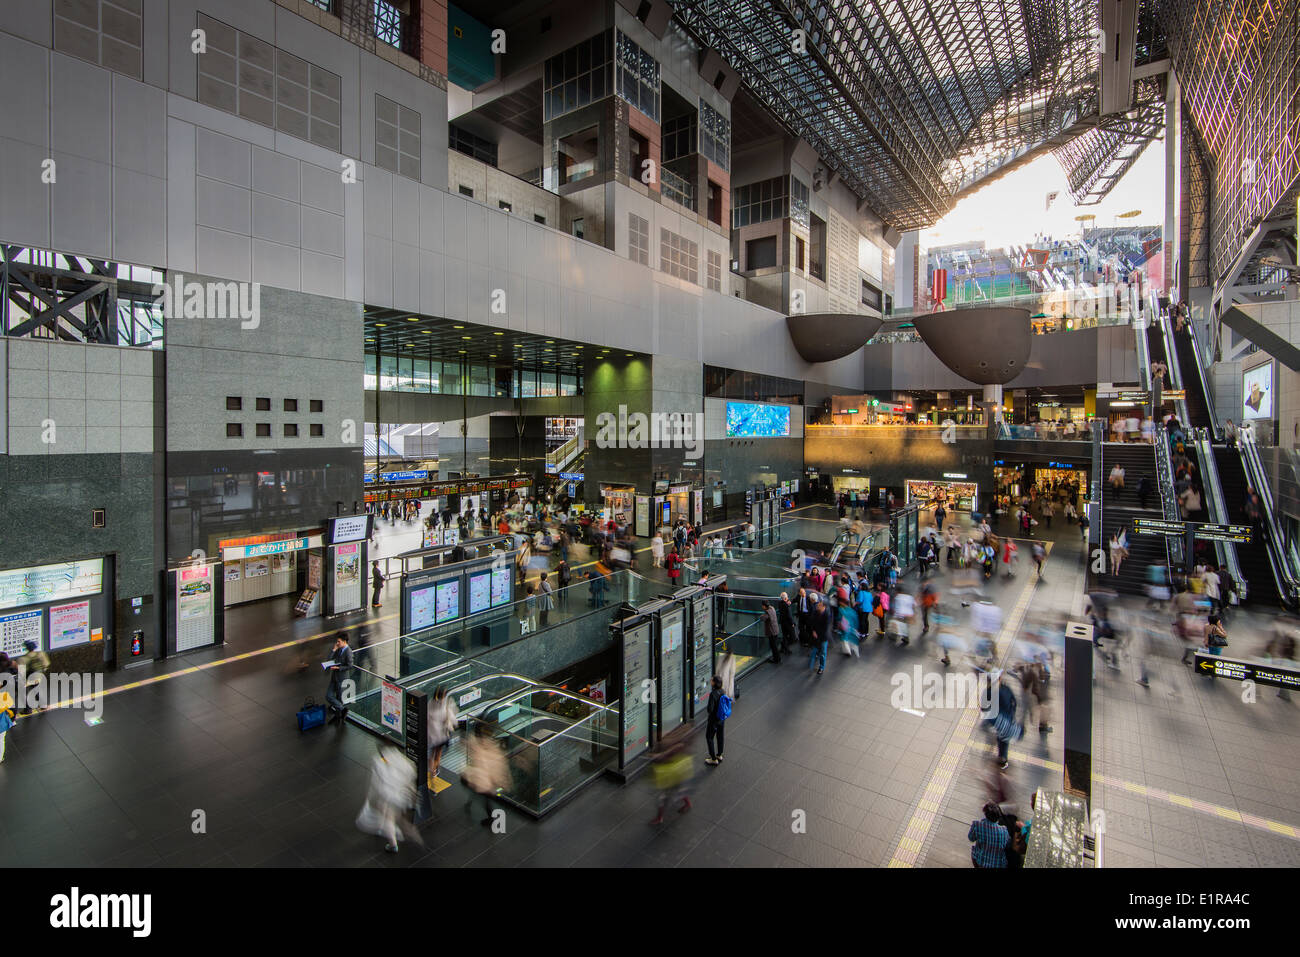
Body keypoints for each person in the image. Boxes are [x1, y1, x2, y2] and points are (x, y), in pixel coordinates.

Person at [356, 743, 421, 853]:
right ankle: (400, 831)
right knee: (392, 817)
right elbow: (411, 773)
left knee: (388, 819)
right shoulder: (400, 758)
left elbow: (376, 783)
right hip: (399, 796)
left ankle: (393, 844)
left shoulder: (378, 762)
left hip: (386, 797)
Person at [462, 722, 509, 826]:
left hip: (484, 781)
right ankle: (471, 804)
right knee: (481, 795)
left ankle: (490, 818)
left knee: (485, 800)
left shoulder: (481, 745)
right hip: (483, 779)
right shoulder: (490, 746)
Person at [649, 724, 694, 822]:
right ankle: (687, 804)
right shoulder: (675, 742)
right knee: (678, 789)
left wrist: (659, 756)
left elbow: (667, 754)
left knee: (663, 797)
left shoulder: (675, 745)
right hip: (674, 773)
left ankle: (659, 817)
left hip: (670, 773)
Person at [968, 802, 1009, 868]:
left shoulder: (978, 825)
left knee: (975, 850)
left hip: (981, 862)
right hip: (999, 865)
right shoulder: (1004, 830)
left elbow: (971, 838)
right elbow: (1006, 844)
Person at [324, 632, 353, 725]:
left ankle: (338, 717)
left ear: (344, 642)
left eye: (338, 642)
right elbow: (329, 659)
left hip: (342, 679)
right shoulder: (338, 649)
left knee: (339, 699)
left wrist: (339, 668)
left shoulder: (348, 651)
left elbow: (350, 665)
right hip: (335, 677)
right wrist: (334, 649)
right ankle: (343, 709)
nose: (337, 643)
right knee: (329, 696)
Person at [17, 639, 50, 714]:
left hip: (28, 678)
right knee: (36, 690)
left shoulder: (23, 659)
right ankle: (43, 705)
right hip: (39, 676)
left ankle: (28, 709)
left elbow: (21, 672)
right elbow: (46, 664)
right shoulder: (41, 654)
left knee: (25, 693)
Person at [704, 675, 728, 767]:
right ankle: (719, 754)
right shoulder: (723, 691)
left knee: (709, 737)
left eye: (712, 680)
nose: (710, 681)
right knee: (720, 736)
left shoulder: (713, 694)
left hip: (713, 720)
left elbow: (710, 709)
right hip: (721, 718)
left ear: (714, 683)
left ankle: (713, 759)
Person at [808, 595, 830, 675]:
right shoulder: (816, 612)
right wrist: (813, 631)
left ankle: (821, 667)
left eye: (819, 605)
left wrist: (816, 633)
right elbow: (812, 622)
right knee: (814, 651)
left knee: (823, 653)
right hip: (817, 636)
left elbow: (825, 628)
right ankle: (811, 665)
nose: (818, 606)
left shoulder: (827, 615)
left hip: (823, 637)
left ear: (823, 606)